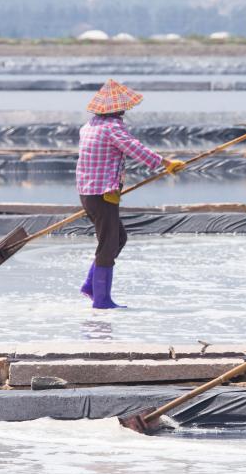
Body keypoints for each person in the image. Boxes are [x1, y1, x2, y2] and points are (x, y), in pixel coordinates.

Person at [76, 79, 184, 309]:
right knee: (108, 244)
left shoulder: (89, 126)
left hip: (88, 193)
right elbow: (135, 148)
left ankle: (90, 285)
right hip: (101, 194)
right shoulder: (112, 128)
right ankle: (102, 300)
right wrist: (165, 163)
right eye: (124, 106)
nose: (126, 109)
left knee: (118, 239)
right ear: (117, 108)